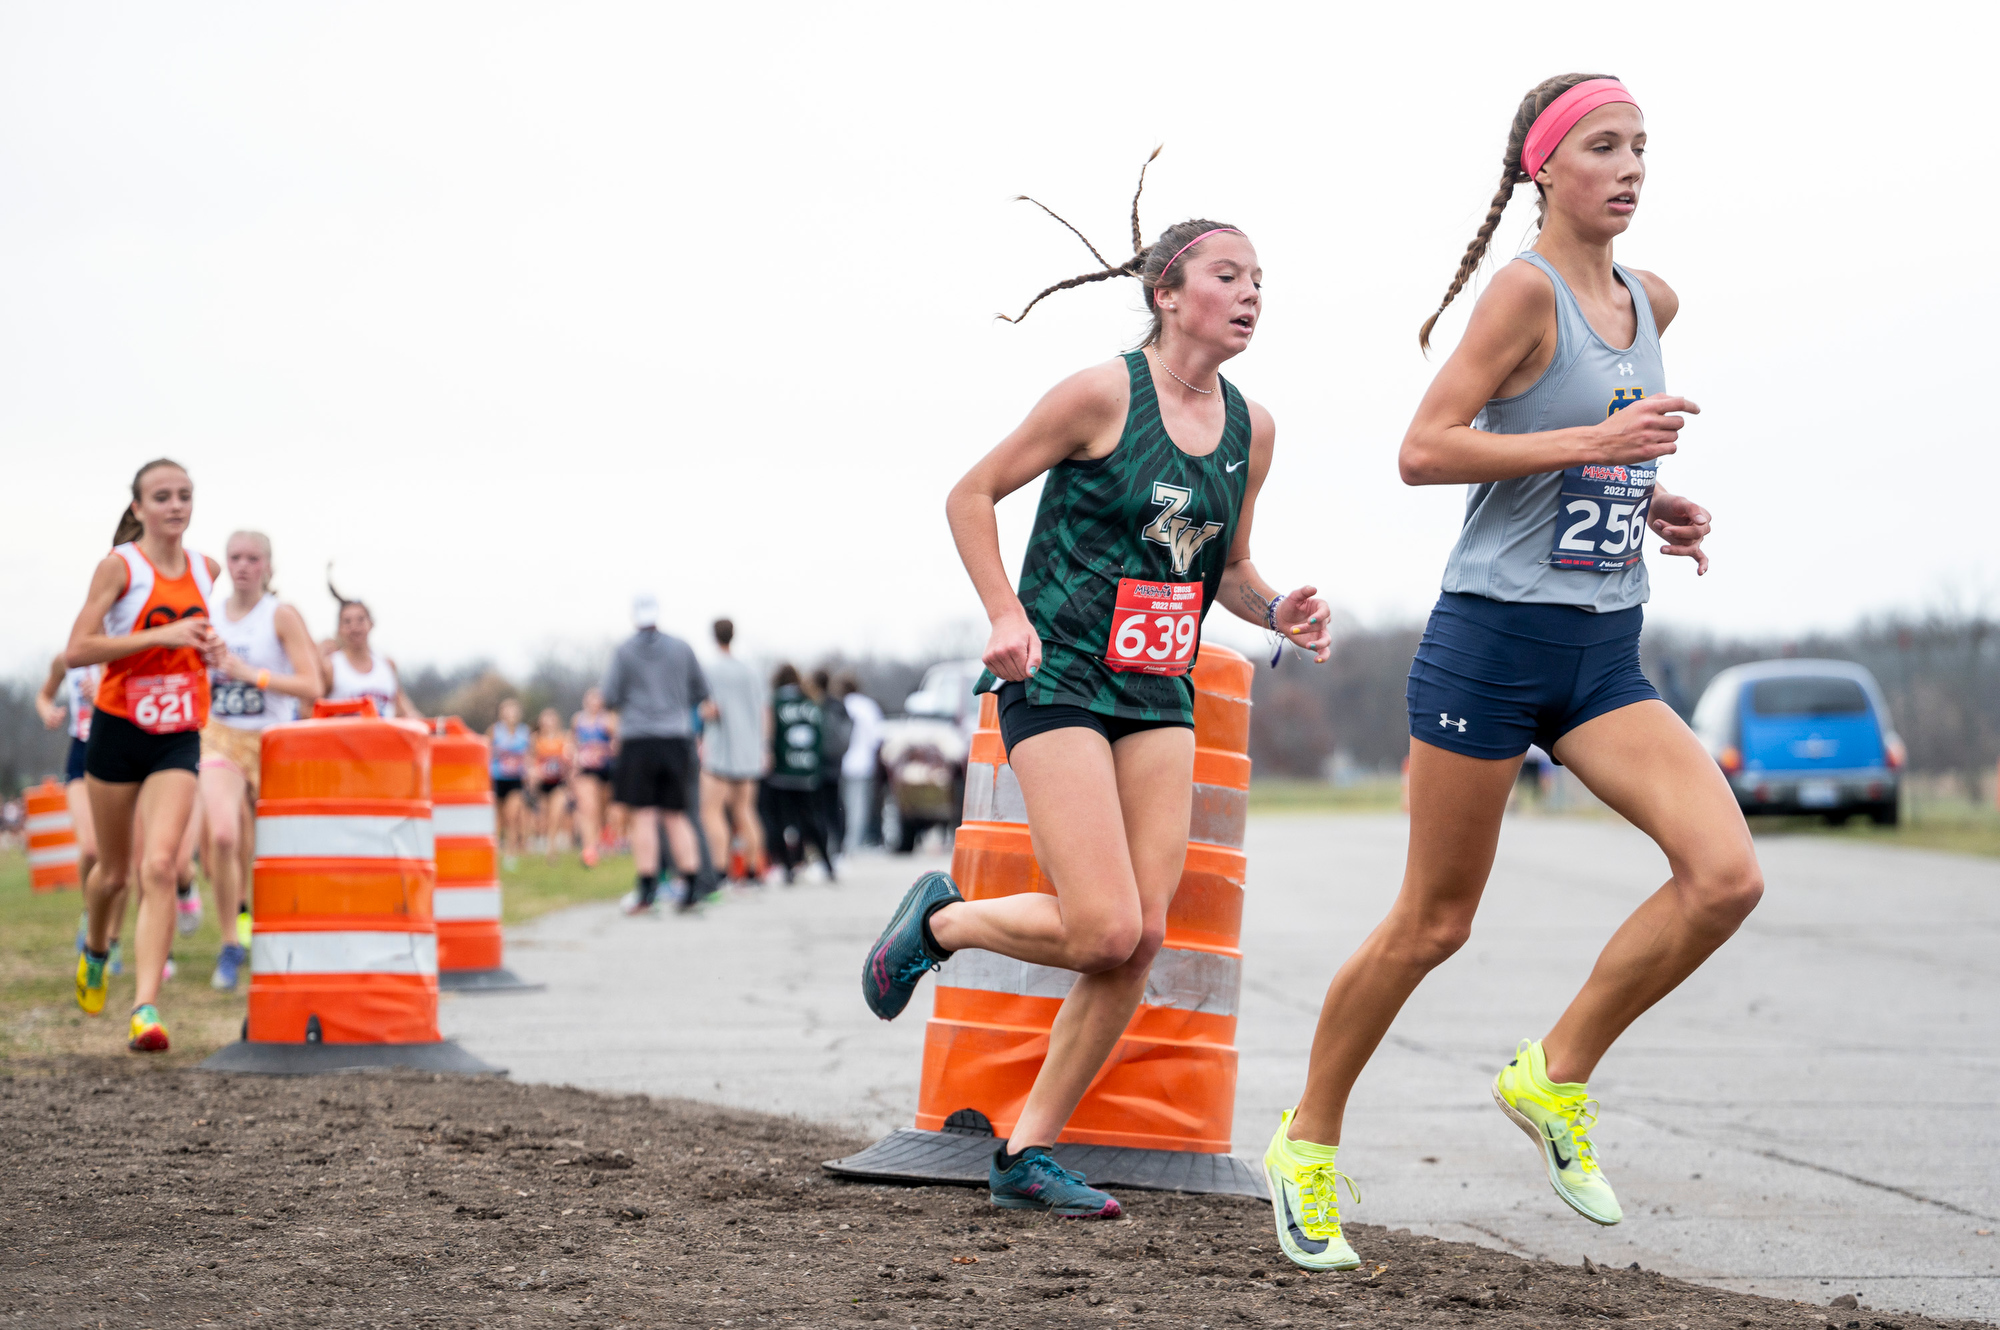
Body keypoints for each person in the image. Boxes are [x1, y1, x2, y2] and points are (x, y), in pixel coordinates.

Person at [1263, 75, 1760, 1272]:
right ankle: (1306, 1140)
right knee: (1433, 922)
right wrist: (1594, 444)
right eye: (1603, 146)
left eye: (1641, 145)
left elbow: (1582, 455)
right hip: (1488, 647)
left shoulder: (1652, 298)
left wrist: (1644, 503)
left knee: (1723, 876)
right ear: (1545, 168)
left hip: (1600, 650)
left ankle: (1553, 1073)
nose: (1630, 165)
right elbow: (1423, 448)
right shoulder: (1520, 296)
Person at [861, 167, 1331, 1218]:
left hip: (1157, 690)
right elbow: (968, 492)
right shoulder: (1098, 394)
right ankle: (941, 924)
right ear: (1168, 292)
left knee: (1140, 937)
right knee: (1101, 924)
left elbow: (1227, 570)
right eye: (1227, 273)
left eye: (1260, 277)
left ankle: (1026, 1152)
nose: (1250, 292)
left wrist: (1277, 610)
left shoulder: (1254, 428)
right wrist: (1002, 612)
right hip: (1060, 676)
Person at [64, 458, 224, 1052]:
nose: (176, 506)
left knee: (160, 866)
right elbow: (79, 648)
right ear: (138, 508)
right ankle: (96, 951)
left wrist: (210, 646)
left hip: (178, 731)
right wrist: (160, 636)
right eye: (162, 497)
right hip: (118, 729)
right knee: (114, 874)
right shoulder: (119, 568)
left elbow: (200, 642)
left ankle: (145, 1010)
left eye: (184, 495)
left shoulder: (207, 570)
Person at [196, 530, 323, 991]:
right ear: (225, 564)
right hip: (221, 737)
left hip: (273, 740)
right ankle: (232, 941)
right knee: (224, 836)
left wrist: (254, 675)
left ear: (269, 566)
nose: (243, 566)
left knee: (277, 845)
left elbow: (312, 685)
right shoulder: (207, 614)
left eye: (253, 558)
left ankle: (281, 930)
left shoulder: (280, 615)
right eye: (235, 557)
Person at [603, 594, 710, 912]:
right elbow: (701, 692)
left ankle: (647, 891)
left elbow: (609, 695)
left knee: (644, 817)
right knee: (677, 816)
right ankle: (691, 887)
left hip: (638, 740)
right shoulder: (682, 647)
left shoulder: (623, 651)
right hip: (676, 737)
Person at [39, 657, 116, 967]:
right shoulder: (67, 659)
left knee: (117, 859)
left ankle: (112, 937)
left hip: (119, 752)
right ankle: (91, 912)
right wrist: (48, 710)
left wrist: (107, 693)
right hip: (81, 754)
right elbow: (44, 694)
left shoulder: (125, 652)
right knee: (91, 848)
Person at [697, 618, 768, 881]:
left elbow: (708, 709)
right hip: (748, 750)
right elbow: (764, 711)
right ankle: (753, 869)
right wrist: (764, 747)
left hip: (720, 751)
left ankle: (719, 870)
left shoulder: (710, 670)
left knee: (711, 811)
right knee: (745, 810)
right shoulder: (751, 671)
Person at [766, 664, 833, 884]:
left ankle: (788, 868)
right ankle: (827, 865)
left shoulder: (775, 703)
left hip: (783, 772)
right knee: (812, 820)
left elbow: (770, 734)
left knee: (782, 821)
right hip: (808, 771)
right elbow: (821, 736)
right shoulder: (811, 703)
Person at [322, 575, 422, 719]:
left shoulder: (387, 664)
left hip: (383, 739)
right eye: (347, 622)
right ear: (339, 629)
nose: (354, 628)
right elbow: (309, 709)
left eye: (360, 620)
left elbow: (403, 708)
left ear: (371, 624)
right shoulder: (330, 666)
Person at [570, 687, 618, 868]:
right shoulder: (578, 720)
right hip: (585, 769)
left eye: (597, 699)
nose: (594, 702)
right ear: (585, 701)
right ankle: (589, 849)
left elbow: (616, 743)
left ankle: (603, 839)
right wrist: (574, 764)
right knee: (588, 808)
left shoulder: (608, 720)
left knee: (602, 810)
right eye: (590, 698)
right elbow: (574, 744)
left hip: (605, 769)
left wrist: (605, 748)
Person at [837, 671, 884, 850]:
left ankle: (840, 843)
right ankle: (853, 843)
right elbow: (877, 736)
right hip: (863, 763)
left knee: (842, 806)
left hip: (840, 763)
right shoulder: (868, 706)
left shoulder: (840, 704)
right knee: (858, 805)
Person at [811, 667, 851, 862]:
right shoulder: (839, 705)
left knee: (820, 810)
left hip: (817, 765)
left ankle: (824, 851)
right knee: (836, 807)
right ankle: (838, 848)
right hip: (836, 763)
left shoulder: (815, 705)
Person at [488, 698, 531, 866]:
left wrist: (529, 773)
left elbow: (528, 755)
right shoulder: (494, 731)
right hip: (497, 778)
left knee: (512, 816)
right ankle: (495, 853)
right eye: (508, 710)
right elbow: (487, 752)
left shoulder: (524, 732)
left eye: (514, 710)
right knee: (498, 818)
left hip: (516, 779)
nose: (511, 714)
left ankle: (510, 854)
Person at [530, 707, 573, 863]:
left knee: (556, 816)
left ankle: (551, 849)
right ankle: (543, 843)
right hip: (542, 784)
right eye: (545, 719)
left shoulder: (563, 738)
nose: (548, 722)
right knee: (544, 818)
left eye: (551, 719)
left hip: (558, 783)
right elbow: (530, 761)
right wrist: (534, 772)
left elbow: (569, 761)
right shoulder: (535, 739)